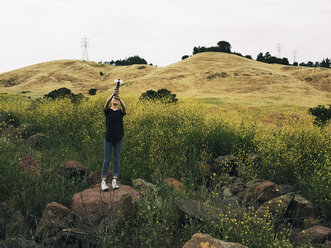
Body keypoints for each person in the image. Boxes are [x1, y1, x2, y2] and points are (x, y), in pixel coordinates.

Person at [101, 89, 126, 191]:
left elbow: (125, 108)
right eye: (114, 99)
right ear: (112, 101)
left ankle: (114, 180)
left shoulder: (120, 112)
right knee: (106, 159)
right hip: (108, 138)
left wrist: (119, 97)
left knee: (117, 159)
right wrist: (113, 94)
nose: (116, 100)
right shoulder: (108, 111)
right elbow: (106, 104)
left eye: (117, 100)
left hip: (119, 138)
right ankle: (103, 181)